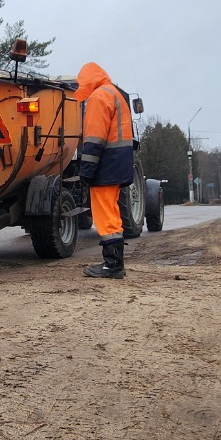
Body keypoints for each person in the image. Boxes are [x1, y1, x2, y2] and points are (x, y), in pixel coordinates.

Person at [73, 62, 135, 279]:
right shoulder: (114, 93)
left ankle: (113, 265)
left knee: (105, 215)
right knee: (112, 213)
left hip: (106, 165)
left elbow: (94, 139)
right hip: (117, 163)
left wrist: (86, 171)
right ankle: (114, 263)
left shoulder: (98, 98)